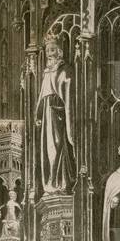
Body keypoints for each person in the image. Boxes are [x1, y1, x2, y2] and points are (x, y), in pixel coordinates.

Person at [35, 34, 75, 194]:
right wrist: (39, 115)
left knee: (58, 147)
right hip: (47, 115)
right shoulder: (47, 72)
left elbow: (68, 96)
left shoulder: (65, 70)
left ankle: (61, 183)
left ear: (59, 52)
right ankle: (50, 184)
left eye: (52, 50)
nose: (49, 54)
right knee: (48, 150)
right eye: (47, 51)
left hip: (58, 115)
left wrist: (60, 110)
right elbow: (42, 97)